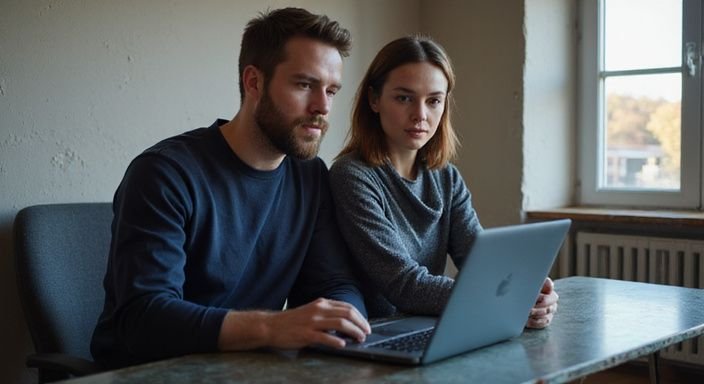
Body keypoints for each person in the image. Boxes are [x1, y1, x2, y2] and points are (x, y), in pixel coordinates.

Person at [91, 7, 371, 369]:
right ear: (253, 82)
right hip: (148, 373)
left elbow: (333, 283)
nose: (322, 107)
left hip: (247, 369)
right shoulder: (165, 173)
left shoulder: (309, 176)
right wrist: (272, 328)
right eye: (304, 85)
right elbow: (144, 320)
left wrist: (346, 323)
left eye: (331, 90)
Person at [329, 35, 558, 328]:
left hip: (433, 327)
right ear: (374, 99)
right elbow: (404, 285)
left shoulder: (446, 177)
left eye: (434, 100)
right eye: (404, 98)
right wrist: (504, 297)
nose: (420, 115)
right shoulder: (352, 176)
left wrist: (532, 292)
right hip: (375, 337)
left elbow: (481, 262)